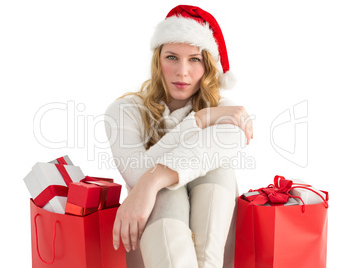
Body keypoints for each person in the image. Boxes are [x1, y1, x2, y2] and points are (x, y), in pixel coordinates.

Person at [104, 5, 253, 268]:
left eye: (194, 59)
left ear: (207, 66)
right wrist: (199, 120)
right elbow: (137, 175)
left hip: (217, 254)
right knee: (166, 193)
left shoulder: (225, 109)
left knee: (217, 170)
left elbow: (145, 179)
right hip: (151, 242)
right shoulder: (124, 111)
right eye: (172, 57)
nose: (182, 71)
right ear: (157, 61)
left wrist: (152, 181)